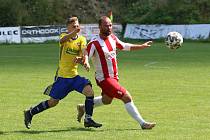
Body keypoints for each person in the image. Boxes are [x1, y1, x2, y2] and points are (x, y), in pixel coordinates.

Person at [75, 16, 156, 129]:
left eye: (110, 25)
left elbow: (124, 46)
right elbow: (87, 55)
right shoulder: (94, 42)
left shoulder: (112, 38)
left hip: (114, 77)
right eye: (106, 25)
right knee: (126, 97)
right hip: (104, 79)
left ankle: (83, 108)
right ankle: (143, 123)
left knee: (107, 100)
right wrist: (86, 62)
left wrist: (141, 46)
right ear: (99, 27)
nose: (109, 28)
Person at [23, 16, 102, 129]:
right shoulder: (64, 37)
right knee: (53, 102)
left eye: (77, 26)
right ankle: (30, 113)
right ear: (68, 28)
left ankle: (88, 119)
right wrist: (73, 33)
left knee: (89, 92)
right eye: (73, 26)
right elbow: (62, 40)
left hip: (74, 77)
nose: (76, 28)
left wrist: (85, 61)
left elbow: (84, 52)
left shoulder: (82, 39)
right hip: (63, 77)